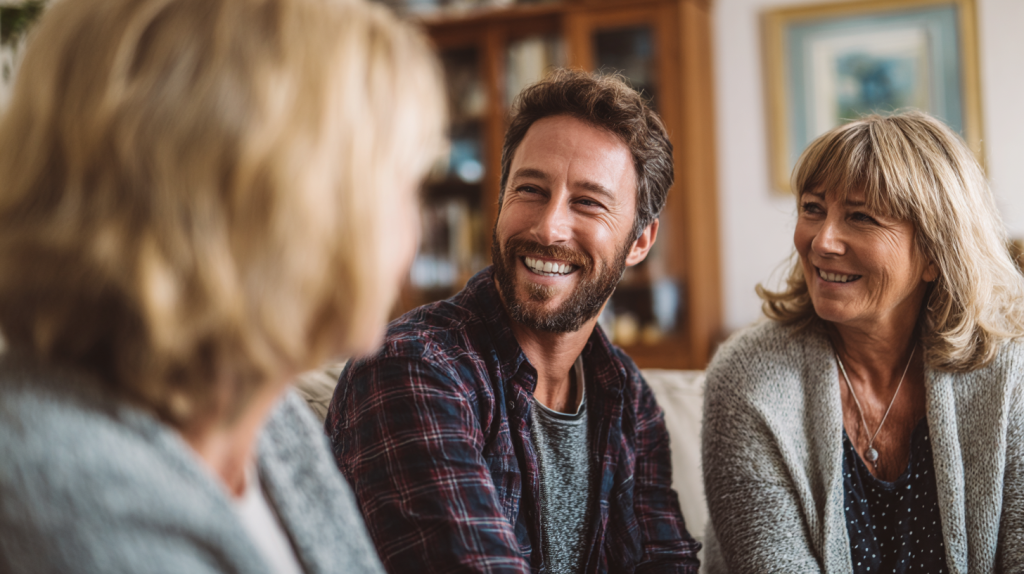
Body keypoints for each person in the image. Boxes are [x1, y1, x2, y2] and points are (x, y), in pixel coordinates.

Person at [0, 0, 445, 572]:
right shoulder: (61, 494)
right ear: (261, 211)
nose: (414, 232)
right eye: (399, 187)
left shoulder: (264, 418)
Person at [326, 69, 701, 574]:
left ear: (639, 242)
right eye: (530, 189)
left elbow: (668, 563)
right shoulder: (412, 369)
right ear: (501, 199)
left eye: (588, 202)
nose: (549, 227)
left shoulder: (627, 395)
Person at [701, 111, 1024, 573]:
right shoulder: (748, 377)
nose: (822, 241)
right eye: (813, 208)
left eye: (861, 217)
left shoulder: (1010, 370)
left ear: (935, 254)